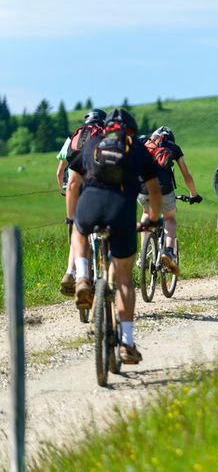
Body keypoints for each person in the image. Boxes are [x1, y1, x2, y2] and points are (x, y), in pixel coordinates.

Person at [67, 108, 162, 364]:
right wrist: (152, 218)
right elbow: (154, 189)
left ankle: (83, 277)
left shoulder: (93, 143)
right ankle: (127, 343)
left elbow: (73, 183)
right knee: (123, 279)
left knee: (78, 230)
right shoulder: (137, 147)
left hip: (90, 204)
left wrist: (72, 216)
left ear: (107, 127)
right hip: (121, 210)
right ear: (130, 129)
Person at [137, 126, 202, 275]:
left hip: (142, 188)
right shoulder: (173, 148)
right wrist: (193, 194)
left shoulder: (143, 143)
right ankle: (169, 252)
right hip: (164, 189)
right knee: (170, 218)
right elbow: (186, 175)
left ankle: (143, 255)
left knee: (146, 212)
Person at [57, 109, 106, 296]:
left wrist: (64, 190)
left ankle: (72, 271)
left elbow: (59, 172)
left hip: (74, 186)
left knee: (77, 230)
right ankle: (104, 271)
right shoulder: (102, 135)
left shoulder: (73, 137)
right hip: (96, 187)